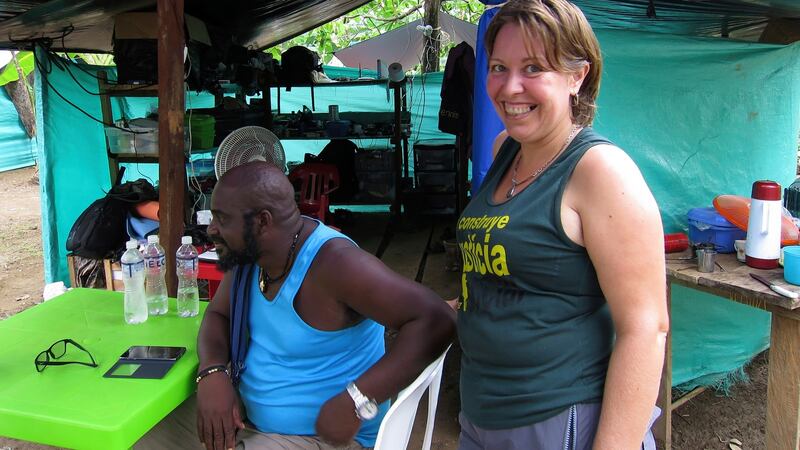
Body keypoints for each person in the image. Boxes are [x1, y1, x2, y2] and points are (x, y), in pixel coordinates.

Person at [453, 1, 669, 449]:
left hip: (558, 417)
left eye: (533, 68)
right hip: (480, 409)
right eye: (498, 67)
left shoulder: (600, 171)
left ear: (577, 76)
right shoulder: (504, 150)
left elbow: (646, 328)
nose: (510, 87)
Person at [196, 161, 455, 450]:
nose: (212, 229)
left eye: (222, 219)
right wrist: (213, 371)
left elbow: (437, 320)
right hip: (251, 423)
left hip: (329, 440)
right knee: (149, 432)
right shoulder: (248, 257)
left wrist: (357, 399)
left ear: (262, 221)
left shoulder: (336, 264)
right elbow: (219, 314)